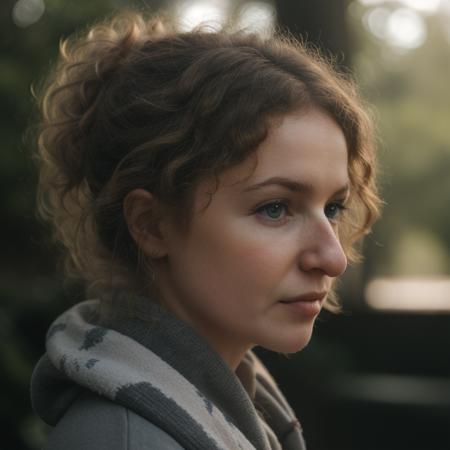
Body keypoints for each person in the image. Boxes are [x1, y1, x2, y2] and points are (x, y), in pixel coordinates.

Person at [30, 10, 381, 450]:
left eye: (332, 207)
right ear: (151, 224)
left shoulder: (246, 409)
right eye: (275, 208)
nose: (333, 257)